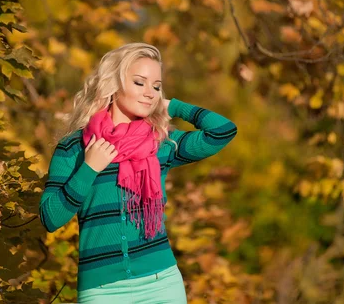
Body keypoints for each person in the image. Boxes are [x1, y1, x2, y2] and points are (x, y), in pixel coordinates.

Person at [39, 43, 237, 303]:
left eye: (156, 86)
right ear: (114, 85)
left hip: (162, 285)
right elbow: (50, 218)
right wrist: (89, 168)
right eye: (139, 83)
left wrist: (173, 106)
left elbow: (222, 131)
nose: (150, 93)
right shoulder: (74, 148)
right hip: (101, 291)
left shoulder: (160, 143)